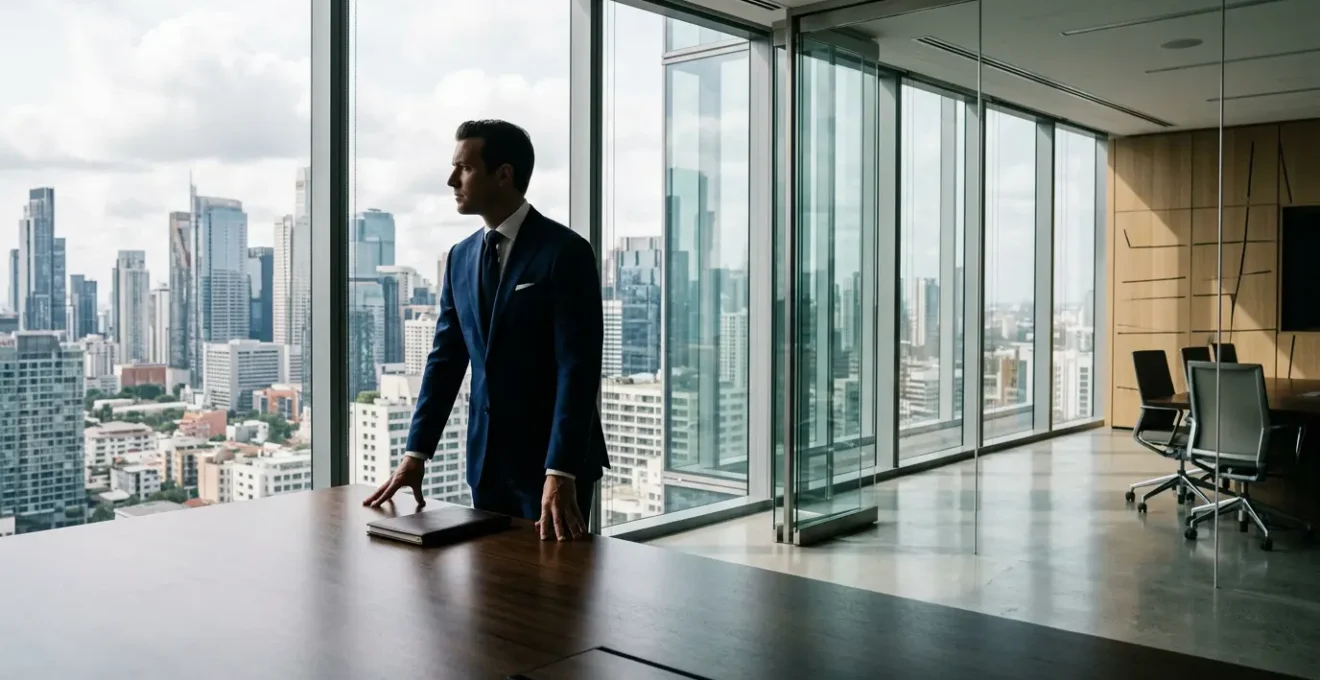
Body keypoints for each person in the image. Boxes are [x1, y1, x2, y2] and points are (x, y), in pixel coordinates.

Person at [364, 119, 608, 541]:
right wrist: (415, 453)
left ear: (504, 174)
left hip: (552, 468)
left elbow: (578, 367)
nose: (451, 180)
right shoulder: (459, 258)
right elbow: (445, 360)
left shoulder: (565, 251)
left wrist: (560, 469)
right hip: (486, 463)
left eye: (465, 168)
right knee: (490, 591)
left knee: (556, 594)